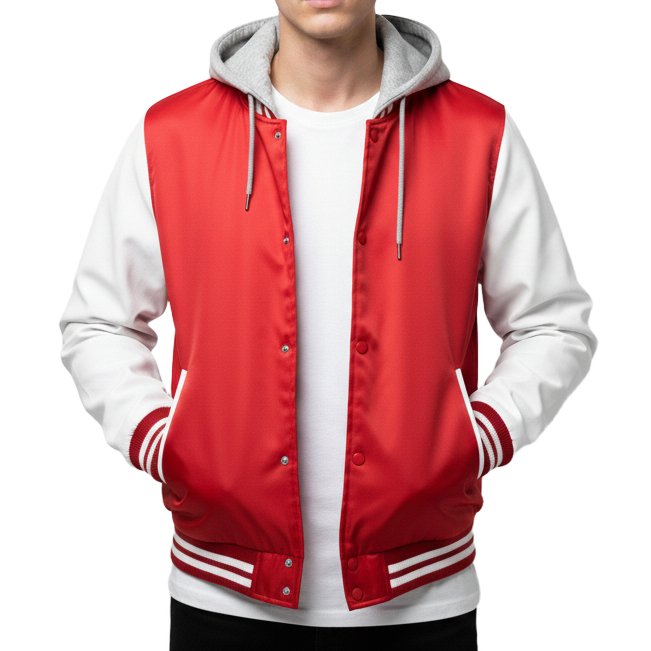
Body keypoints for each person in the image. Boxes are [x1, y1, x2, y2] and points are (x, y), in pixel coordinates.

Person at [59, 1, 598, 648]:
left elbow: (551, 323)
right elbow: (99, 322)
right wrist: (165, 441)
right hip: (221, 592)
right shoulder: (171, 135)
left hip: (421, 597)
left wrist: (472, 439)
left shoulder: (478, 133)